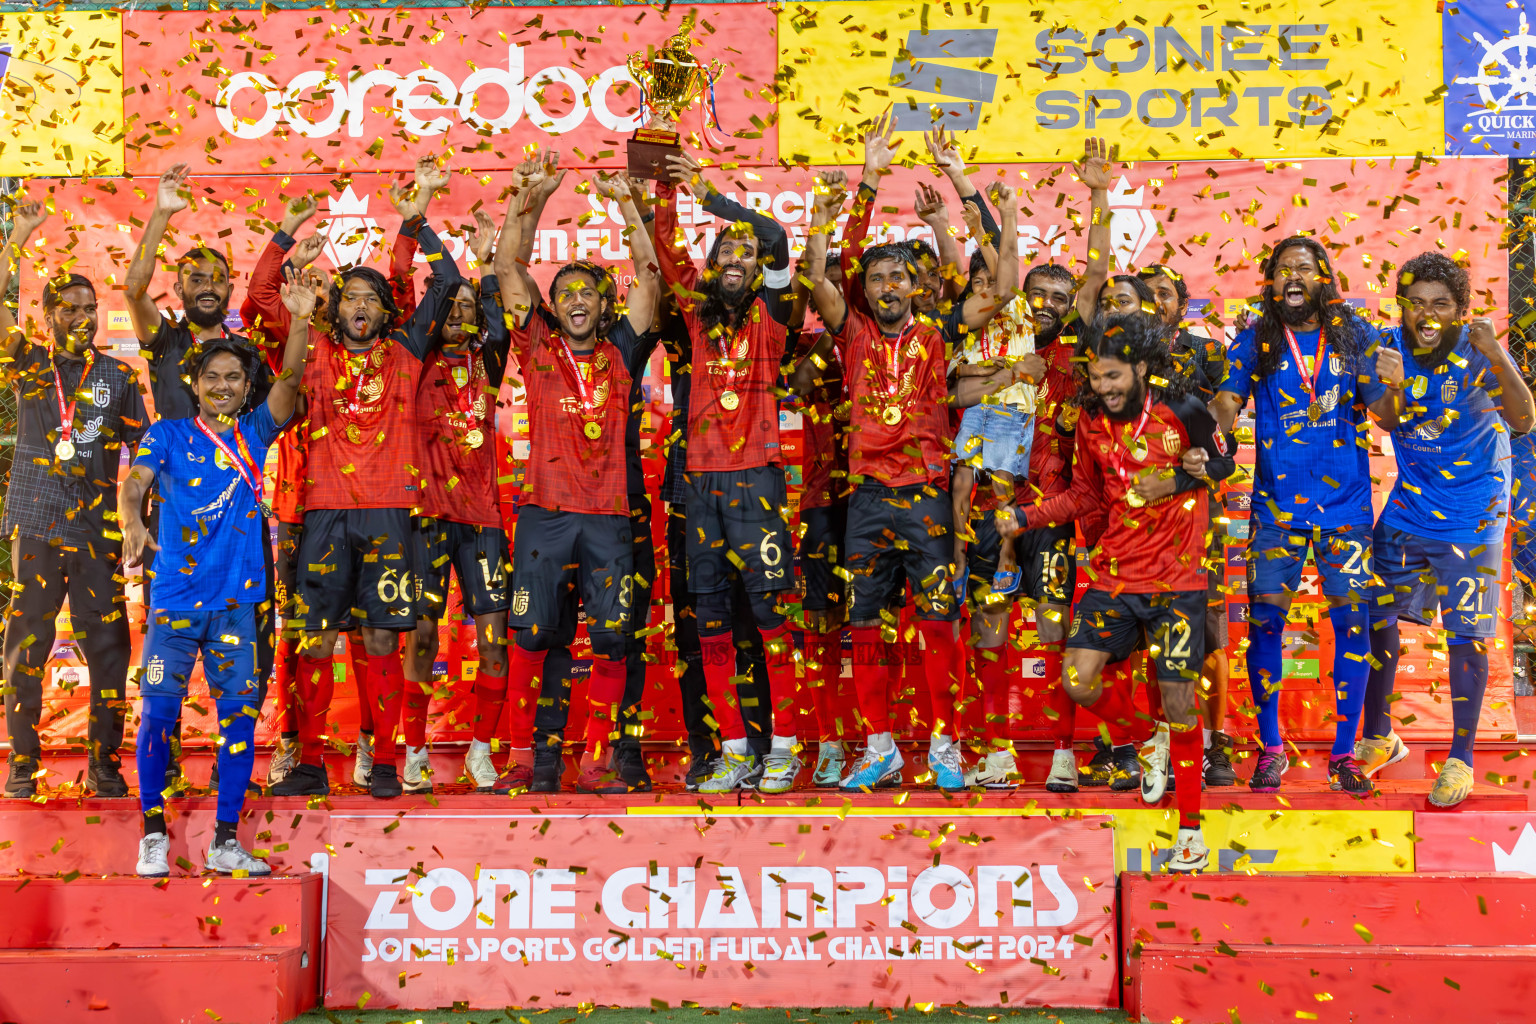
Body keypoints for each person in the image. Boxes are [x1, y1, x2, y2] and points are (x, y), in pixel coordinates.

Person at [803, 165, 1020, 792]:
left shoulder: (939, 330)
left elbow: (1004, 289)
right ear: (865, 290)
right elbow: (819, 276)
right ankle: (879, 747)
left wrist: (960, 183)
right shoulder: (853, 333)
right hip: (867, 499)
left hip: (925, 497)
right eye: (874, 278)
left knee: (936, 625)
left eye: (896, 275)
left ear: (914, 285)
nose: (884, 285)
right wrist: (857, 189)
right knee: (864, 627)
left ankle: (945, 746)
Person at [1000, 312, 1235, 871]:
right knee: (1078, 680)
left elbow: (1224, 465)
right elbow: (1084, 494)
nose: (1103, 388)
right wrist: (1026, 518)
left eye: (1113, 377)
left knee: (1180, 703)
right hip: (1115, 575)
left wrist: (1179, 478)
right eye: (1096, 377)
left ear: (1142, 368)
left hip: (1179, 582)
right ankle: (1142, 738)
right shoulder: (1087, 420)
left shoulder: (1184, 409)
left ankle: (1192, 835)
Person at [270, 158, 463, 799]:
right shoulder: (316, 349)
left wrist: (419, 213)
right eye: (349, 297)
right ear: (336, 309)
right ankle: (308, 763)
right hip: (323, 512)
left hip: (388, 512)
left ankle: (383, 761)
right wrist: (284, 238)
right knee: (318, 638)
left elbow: (449, 278)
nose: (360, 306)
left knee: (382, 634)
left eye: (371, 299)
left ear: (386, 313)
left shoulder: (408, 352)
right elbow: (264, 297)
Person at [123, 266, 317, 876]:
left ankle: (226, 839)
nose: (225, 386)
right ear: (197, 383)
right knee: (157, 714)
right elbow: (135, 485)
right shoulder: (167, 433)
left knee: (238, 719)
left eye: (234, 377)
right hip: (176, 603)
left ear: (243, 386)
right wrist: (131, 519)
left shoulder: (256, 433)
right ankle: (153, 830)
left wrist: (302, 318)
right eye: (214, 377)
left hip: (238, 604)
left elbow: (289, 380)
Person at [1210, 237, 1403, 794]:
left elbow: (1387, 419)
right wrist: (1219, 416)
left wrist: (1391, 382)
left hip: (1346, 512)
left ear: (1323, 277)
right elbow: (1228, 398)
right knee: (1266, 624)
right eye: (1281, 269)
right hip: (1275, 513)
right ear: (1271, 283)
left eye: (1303, 267)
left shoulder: (1355, 336)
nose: (1292, 276)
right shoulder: (1257, 340)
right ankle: (1272, 749)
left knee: (1352, 626)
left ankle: (1344, 754)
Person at [493, 166, 659, 793]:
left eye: (588, 291)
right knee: (533, 636)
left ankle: (595, 760)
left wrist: (627, 207)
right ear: (553, 305)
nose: (577, 301)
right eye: (565, 293)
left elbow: (650, 277)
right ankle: (530, 759)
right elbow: (509, 267)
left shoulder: (624, 347)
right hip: (545, 515)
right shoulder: (535, 345)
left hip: (609, 518)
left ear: (603, 303)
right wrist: (527, 198)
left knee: (613, 641)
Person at [654, 153, 807, 795]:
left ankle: (789, 746)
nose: (739, 260)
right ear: (713, 270)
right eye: (726, 255)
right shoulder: (694, 316)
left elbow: (774, 236)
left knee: (772, 618)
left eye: (746, 255)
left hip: (757, 482)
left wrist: (712, 199)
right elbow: (664, 250)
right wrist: (662, 186)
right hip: (701, 485)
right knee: (711, 621)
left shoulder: (773, 318)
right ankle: (737, 748)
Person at [1359, 253, 1534, 806]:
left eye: (1441, 305)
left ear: (1459, 310)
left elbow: (1525, 418)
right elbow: (1386, 419)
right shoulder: (1386, 347)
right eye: (1417, 303)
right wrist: (1388, 385)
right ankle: (1379, 736)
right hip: (1410, 506)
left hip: (1473, 510)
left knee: (1466, 634)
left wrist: (1494, 354)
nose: (1427, 315)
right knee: (1372, 614)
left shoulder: (1478, 348)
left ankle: (1460, 760)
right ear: (1402, 306)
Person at [124, 164, 278, 792]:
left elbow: (282, 406)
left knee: (253, 647)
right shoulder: (165, 341)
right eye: (194, 277)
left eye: (217, 277)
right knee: (166, 660)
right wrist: (160, 212)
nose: (207, 286)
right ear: (180, 286)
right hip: (177, 519)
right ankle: (160, 785)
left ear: (230, 285)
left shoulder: (248, 358)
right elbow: (134, 291)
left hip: (238, 523)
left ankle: (229, 771)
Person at [1, 202, 148, 800]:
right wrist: (18, 239)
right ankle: (22, 761)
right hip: (35, 523)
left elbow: (145, 452)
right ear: (47, 313)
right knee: (26, 644)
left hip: (94, 530)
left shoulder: (118, 376)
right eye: (71, 309)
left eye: (91, 310)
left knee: (109, 646)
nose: (83, 318)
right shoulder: (30, 365)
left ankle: (105, 762)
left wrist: (137, 513)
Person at [399, 209, 513, 793]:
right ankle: (414, 749)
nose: (459, 314)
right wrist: (420, 225)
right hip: (425, 517)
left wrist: (488, 266)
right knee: (421, 636)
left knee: (495, 637)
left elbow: (502, 324)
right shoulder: (412, 359)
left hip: (483, 519)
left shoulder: (489, 363)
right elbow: (433, 291)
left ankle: (478, 749)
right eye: (451, 305)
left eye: (469, 307)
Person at [1137, 264, 1237, 786]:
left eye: (1165, 293)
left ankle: (1215, 743)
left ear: (1181, 302)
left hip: (1196, 513)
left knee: (1211, 637)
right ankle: (1161, 739)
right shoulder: (1120, 357)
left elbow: (1227, 426)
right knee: (1155, 636)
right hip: (1138, 519)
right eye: (1143, 295)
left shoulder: (1206, 353)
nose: (1154, 302)